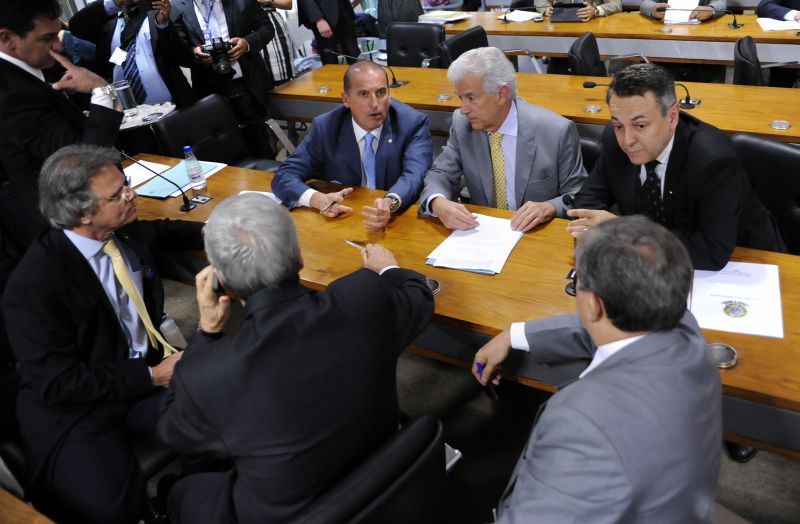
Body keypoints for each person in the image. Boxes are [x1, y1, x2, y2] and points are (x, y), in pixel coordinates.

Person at [157, 193, 434, 523]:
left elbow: (174, 432)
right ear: (299, 256)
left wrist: (207, 332)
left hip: (286, 513)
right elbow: (419, 296)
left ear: (222, 281)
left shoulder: (210, 373)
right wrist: (387, 269)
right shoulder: (365, 297)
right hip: (386, 471)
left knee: (179, 492)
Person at [473, 215, 721, 522]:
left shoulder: (581, 425)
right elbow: (612, 323)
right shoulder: (686, 329)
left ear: (593, 305)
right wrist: (515, 334)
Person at [3, 145, 204, 523]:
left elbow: (161, 231)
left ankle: (179, 501)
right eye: (118, 194)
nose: (132, 195)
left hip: (138, 377)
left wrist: (214, 229)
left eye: (125, 184)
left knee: (214, 426)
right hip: (76, 407)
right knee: (113, 509)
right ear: (81, 213)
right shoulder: (32, 287)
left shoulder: (118, 233)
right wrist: (152, 375)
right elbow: (57, 383)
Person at [568, 63, 785, 271]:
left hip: (744, 260)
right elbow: (587, 201)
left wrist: (625, 233)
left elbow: (712, 251)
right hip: (653, 262)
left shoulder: (713, 160)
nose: (627, 140)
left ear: (672, 117)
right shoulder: (615, 140)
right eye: (618, 125)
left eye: (640, 125)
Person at [419, 47, 586, 233]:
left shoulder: (556, 132)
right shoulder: (462, 123)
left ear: (501, 94)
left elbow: (579, 195)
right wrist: (437, 202)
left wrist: (549, 207)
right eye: (460, 98)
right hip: (482, 235)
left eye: (471, 98)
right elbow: (440, 173)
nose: (463, 109)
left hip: (536, 236)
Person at [0, 0, 123, 247]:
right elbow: (84, 166)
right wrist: (102, 91)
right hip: (69, 233)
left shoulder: (28, 73)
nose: (57, 45)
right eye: (46, 39)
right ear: (8, 39)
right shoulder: (12, 95)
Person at [272, 60, 432, 231]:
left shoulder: (412, 123)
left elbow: (415, 175)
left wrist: (390, 202)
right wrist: (317, 199)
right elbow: (285, 176)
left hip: (395, 222)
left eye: (381, 92)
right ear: (346, 99)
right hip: (344, 218)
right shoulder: (326, 127)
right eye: (363, 94)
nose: (375, 103)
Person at [170, 0, 275, 157]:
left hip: (247, 86)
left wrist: (247, 44)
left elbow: (266, 28)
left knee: (261, 147)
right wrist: (194, 53)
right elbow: (178, 52)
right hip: (209, 91)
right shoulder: (177, 7)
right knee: (225, 154)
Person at [69, 0, 196, 108]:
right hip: (127, 114)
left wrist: (164, 25)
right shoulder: (106, 21)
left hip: (171, 107)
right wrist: (113, 3)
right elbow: (76, 26)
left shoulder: (164, 10)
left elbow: (184, 58)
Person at [299, 0, 359, 65]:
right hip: (323, 15)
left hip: (345, 11)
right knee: (330, 60)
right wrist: (318, 19)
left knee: (354, 56)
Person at [257, 0, 295, 85]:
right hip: (244, 25)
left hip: (271, 22)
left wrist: (269, 1)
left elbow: (288, 4)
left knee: (282, 79)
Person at [641, 0, 725, 21]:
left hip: (702, 26)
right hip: (666, 27)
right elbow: (645, 3)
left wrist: (711, 9)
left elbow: (720, 2)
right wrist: (653, 8)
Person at [536, 0, 622, 20]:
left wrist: (596, 10)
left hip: (592, 26)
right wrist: (546, 9)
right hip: (563, 25)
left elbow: (616, 4)